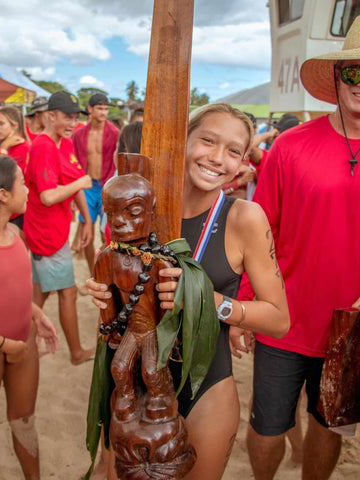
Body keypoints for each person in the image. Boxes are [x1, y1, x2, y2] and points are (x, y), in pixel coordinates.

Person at [86, 103, 290, 480]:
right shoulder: (140, 208)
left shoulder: (244, 217)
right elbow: (121, 287)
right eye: (208, 141)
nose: (217, 158)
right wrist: (106, 299)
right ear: (183, 142)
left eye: (233, 151)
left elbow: (278, 320)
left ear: (244, 162)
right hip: (132, 386)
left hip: (207, 389)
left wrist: (210, 303)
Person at [246, 17, 360, 480]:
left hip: (352, 326)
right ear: (337, 77)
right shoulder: (291, 146)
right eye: (354, 72)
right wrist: (247, 304)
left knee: (329, 426)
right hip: (283, 317)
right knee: (268, 429)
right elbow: (258, 230)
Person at [0, 156, 58, 480]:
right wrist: (6, 346)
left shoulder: (15, 233)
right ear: (2, 194)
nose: (27, 188)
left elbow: (16, 287)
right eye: (21, 182)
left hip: (23, 346)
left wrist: (37, 314)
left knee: (24, 421)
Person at [24, 91, 95, 365]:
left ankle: (18, 346)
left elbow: (74, 178)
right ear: (50, 116)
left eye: (75, 118)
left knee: (37, 294)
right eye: (67, 117)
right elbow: (49, 196)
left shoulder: (62, 143)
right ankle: (76, 352)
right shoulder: (43, 146)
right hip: (45, 234)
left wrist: (87, 220)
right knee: (68, 292)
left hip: (55, 230)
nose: (71, 123)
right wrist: (81, 184)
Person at [72, 93, 120, 273]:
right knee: (86, 230)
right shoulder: (78, 135)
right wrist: (73, 193)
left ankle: (105, 272)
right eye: (100, 108)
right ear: (90, 109)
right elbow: (74, 162)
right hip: (86, 187)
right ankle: (93, 273)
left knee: (104, 232)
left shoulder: (115, 133)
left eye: (106, 109)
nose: (104, 112)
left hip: (107, 187)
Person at [0, 106, 31, 229]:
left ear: (14, 126)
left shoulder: (24, 149)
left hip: (17, 213)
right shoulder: (0, 144)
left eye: (1, 124)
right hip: (4, 211)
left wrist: (3, 148)